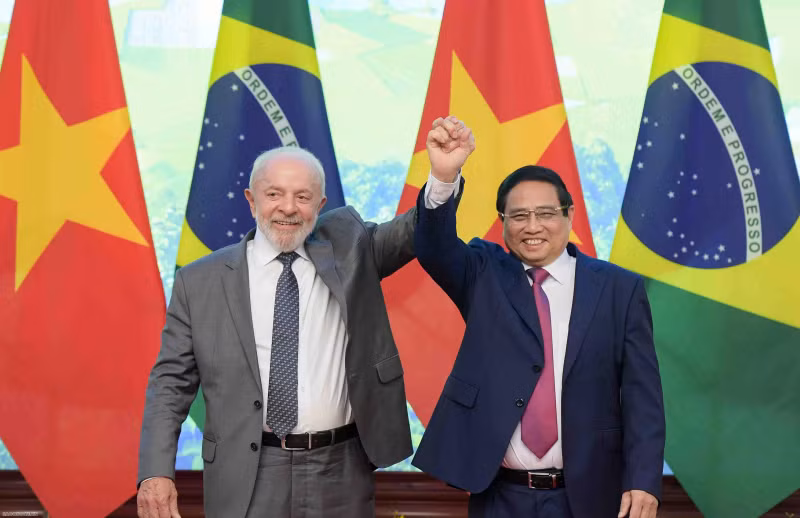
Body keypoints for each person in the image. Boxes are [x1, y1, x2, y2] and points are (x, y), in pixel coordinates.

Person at [136, 146, 459, 518]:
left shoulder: (351, 250)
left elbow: (412, 232)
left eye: (302, 197)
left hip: (340, 468)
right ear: (251, 201)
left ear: (319, 204)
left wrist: (443, 178)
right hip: (246, 471)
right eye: (274, 194)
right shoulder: (199, 281)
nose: (288, 208)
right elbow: (170, 384)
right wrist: (155, 473)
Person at [412, 116, 666, 518]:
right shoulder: (484, 273)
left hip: (590, 496)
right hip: (500, 496)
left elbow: (642, 396)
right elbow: (433, 246)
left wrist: (643, 478)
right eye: (519, 216)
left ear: (569, 216)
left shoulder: (620, 290)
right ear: (503, 224)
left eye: (546, 213)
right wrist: (444, 177)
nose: (533, 227)